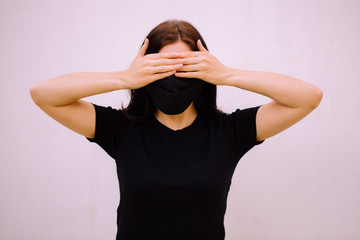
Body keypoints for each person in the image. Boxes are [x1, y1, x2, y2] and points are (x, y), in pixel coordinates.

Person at [30, 20, 323, 240]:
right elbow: (44, 94)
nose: (174, 75)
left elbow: (307, 97)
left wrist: (227, 74)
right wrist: (123, 78)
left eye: (186, 66)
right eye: (162, 65)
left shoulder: (229, 132)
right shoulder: (120, 129)